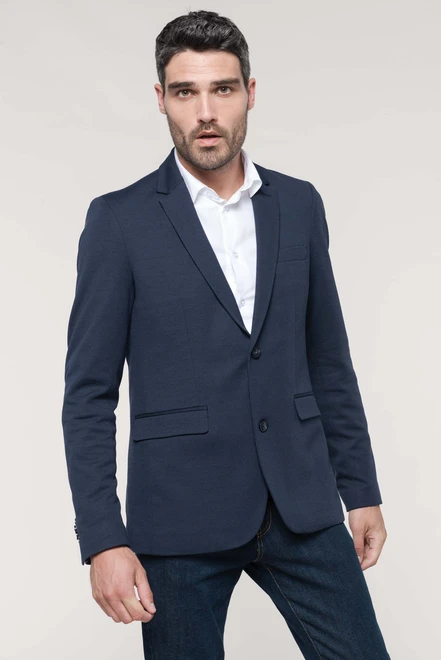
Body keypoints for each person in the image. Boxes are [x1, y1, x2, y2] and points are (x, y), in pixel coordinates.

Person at [61, 9, 390, 659]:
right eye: (186, 92)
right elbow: (88, 395)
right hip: (178, 517)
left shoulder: (298, 205)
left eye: (223, 89)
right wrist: (102, 538)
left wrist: (360, 489)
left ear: (250, 92)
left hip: (299, 502)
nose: (206, 112)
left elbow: (328, 359)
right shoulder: (119, 221)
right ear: (161, 99)